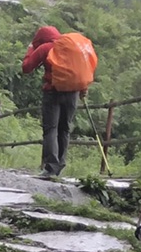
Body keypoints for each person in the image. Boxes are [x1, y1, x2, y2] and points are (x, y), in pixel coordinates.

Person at [22, 24, 96, 179]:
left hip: (53, 92)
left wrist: (30, 49)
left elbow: (26, 67)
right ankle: (59, 166)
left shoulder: (46, 48)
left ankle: (50, 168)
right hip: (73, 93)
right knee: (64, 129)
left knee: (51, 129)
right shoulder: (72, 48)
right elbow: (82, 68)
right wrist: (83, 88)